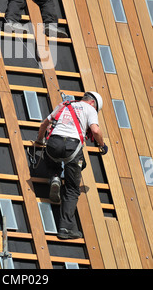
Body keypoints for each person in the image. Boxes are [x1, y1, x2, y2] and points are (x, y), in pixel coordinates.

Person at [35, 92, 108, 240]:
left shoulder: (64, 105)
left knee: (52, 157)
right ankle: (65, 228)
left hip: (53, 144)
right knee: (72, 188)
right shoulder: (90, 110)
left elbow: (44, 124)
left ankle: (55, 176)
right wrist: (102, 145)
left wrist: (39, 140)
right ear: (93, 104)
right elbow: (95, 130)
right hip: (72, 148)